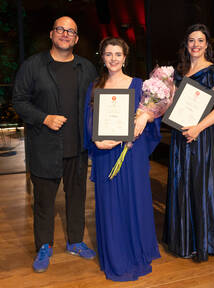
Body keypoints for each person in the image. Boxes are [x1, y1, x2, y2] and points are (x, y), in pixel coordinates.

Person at [12, 16, 97, 273]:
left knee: (77, 198)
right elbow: (19, 101)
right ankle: (44, 246)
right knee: (44, 202)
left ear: (76, 38)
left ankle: (75, 241)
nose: (65, 34)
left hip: (78, 149)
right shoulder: (33, 66)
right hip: (45, 148)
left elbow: (97, 103)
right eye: (60, 29)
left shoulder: (87, 68)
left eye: (70, 31)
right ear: (51, 34)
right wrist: (44, 118)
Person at [84, 37, 161, 281]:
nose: (113, 58)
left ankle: (137, 254)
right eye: (109, 54)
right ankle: (115, 258)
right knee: (110, 206)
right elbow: (88, 118)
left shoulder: (140, 86)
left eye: (118, 54)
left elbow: (152, 116)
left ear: (125, 57)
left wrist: (145, 118)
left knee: (134, 202)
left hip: (132, 154)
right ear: (102, 57)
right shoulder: (95, 86)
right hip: (105, 153)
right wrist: (96, 140)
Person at [162, 24, 214, 262]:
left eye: (200, 40)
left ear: (207, 45)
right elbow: (172, 105)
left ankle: (206, 241)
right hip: (181, 137)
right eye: (192, 40)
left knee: (203, 187)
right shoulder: (179, 73)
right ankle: (184, 241)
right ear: (186, 44)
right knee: (183, 184)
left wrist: (198, 128)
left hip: (203, 137)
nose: (196, 45)